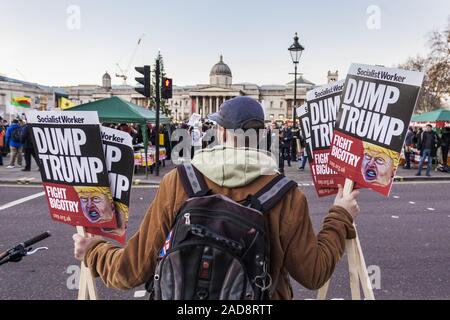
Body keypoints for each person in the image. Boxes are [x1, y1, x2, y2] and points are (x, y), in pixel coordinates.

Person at [73, 96, 360, 300]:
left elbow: (130, 271)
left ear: (220, 131)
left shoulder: (178, 182)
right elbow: (314, 273)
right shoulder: (287, 195)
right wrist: (340, 215)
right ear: (261, 135)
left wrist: (94, 250)